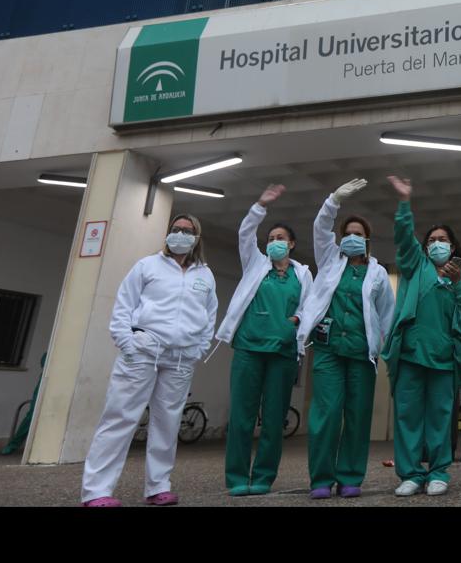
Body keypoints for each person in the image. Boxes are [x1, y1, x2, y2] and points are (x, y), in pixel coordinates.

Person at [81, 214, 217, 507]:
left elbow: (209, 316)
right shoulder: (147, 266)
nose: (180, 234)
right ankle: (96, 491)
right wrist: (127, 345)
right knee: (120, 417)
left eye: (187, 231)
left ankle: (158, 487)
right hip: (142, 351)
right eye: (175, 229)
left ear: (196, 238)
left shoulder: (205, 274)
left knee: (167, 423)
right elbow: (123, 307)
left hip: (181, 358)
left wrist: (199, 349)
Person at [381, 176, 461, 497]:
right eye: (432, 239)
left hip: (443, 358)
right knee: (408, 415)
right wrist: (404, 203)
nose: (437, 243)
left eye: (443, 239)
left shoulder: (459, 276)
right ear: (426, 247)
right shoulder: (416, 265)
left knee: (440, 417)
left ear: (452, 247)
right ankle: (410, 474)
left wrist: (460, 284)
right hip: (411, 354)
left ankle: (438, 472)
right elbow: (402, 237)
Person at [297, 178, 396, 500]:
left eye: (358, 234)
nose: (352, 238)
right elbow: (320, 227)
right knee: (324, 417)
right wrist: (334, 199)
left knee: (357, 417)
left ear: (367, 240)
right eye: (347, 234)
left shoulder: (378, 273)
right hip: (328, 351)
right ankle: (321, 479)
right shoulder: (329, 262)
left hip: (361, 355)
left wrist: (383, 347)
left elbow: (386, 315)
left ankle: (351, 476)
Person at [215, 184, 313, 496]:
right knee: (242, 417)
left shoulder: (302, 275)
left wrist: (297, 320)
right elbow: (245, 233)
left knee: (274, 420)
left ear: (292, 244)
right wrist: (260, 205)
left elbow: (311, 307)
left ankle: (263, 477)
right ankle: (237, 478)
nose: (274, 243)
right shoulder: (256, 264)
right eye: (270, 239)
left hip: (283, 352)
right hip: (248, 348)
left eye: (280, 239)